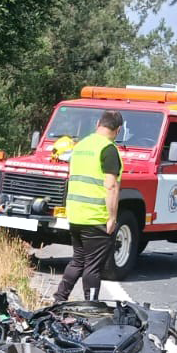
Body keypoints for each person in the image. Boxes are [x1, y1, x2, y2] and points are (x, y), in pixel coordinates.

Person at [54, 110, 123, 301]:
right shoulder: (108, 149)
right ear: (118, 130)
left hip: (76, 215)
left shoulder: (80, 146)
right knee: (93, 266)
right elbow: (110, 186)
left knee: (77, 261)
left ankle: (59, 298)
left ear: (98, 124)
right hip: (96, 217)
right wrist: (112, 218)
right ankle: (90, 306)